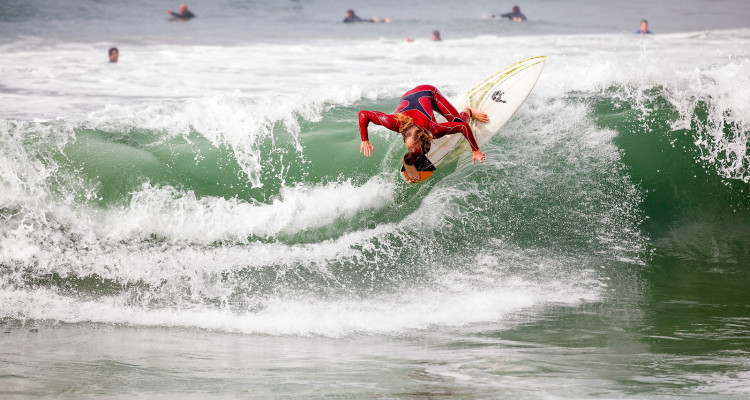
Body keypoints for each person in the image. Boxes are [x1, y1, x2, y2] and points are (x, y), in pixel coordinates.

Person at [357, 85, 489, 181]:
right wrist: (365, 139)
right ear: (404, 135)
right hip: (408, 95)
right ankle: (412, 159)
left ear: (422, 138)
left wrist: (475, 150)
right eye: (409, 147)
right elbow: (364, 114)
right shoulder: (394, 122)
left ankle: (468, 111)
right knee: (417, 151)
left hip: (428, 92)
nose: (411, 149)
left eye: (414, 146)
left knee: (457, 120)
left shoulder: (434, 129)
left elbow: (463, 127)